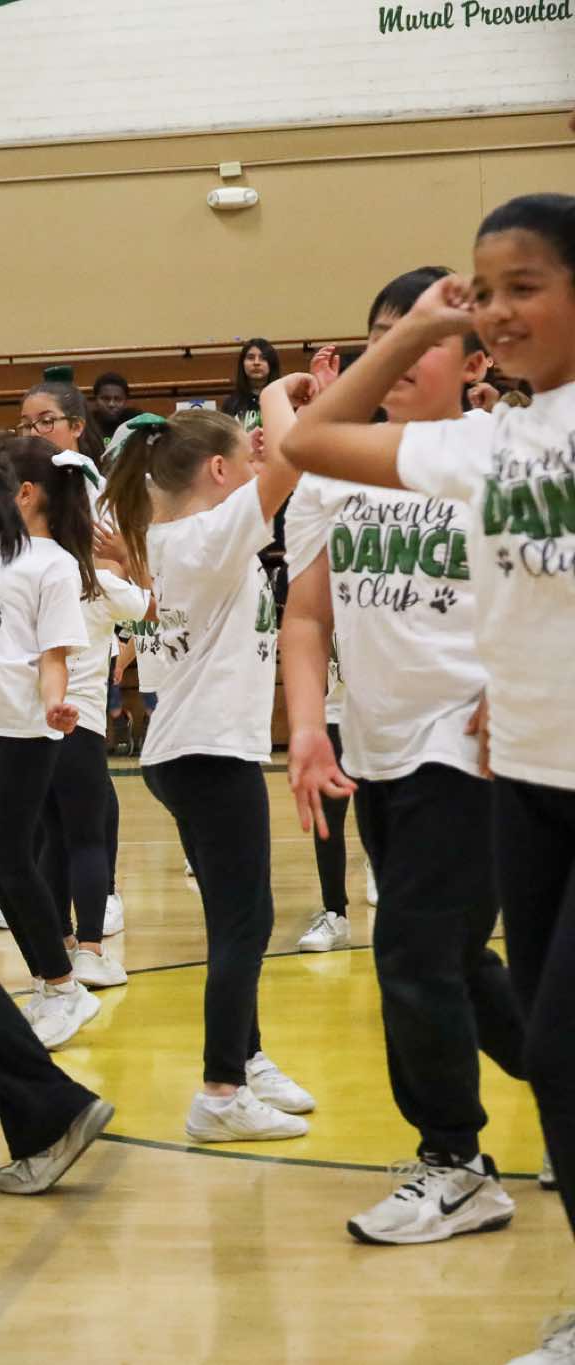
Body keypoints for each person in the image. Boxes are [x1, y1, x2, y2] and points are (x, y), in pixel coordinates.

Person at [279, 195, 575, 1362]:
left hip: (481, 751)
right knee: (513, 1013)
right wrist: (410, 330)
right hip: (507, 773)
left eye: (520, 287)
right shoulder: (488, 448)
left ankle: (454, 1160)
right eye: (480, 291)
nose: (494, 311)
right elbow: (308, 445)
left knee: (442, 971)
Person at [102, 405, 315, 1143]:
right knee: (246, 922)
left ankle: (246, 1058)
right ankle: (221, 1092)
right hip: (209, 750)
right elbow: (291, 457)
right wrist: (282, 395)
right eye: (243, 462)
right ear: (219, 471)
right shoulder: (206, 537)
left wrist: (251, 445)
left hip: (188, 749)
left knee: (234, 919)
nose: (257, 470)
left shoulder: (167, 539)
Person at [0, 434, 98, 1048]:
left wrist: (55, 703)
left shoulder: (54, 565)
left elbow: (53, 655)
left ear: (26, 494)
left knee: (10, 857)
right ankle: (49, 978)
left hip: (28, 726)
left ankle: (64, 985)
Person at [16, 383, 141, 974]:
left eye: (44, 422)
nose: (34, 432)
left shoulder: (20, 562)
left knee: (50, 835)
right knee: (82, 834)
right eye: (26, 424)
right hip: (77, 713)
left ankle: (64, 941)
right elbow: (147, 603)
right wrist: (130, 568)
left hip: (34, 716)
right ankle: (88, 945)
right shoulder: (84, 574)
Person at [222, 339, 283, 430]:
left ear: (272, 364)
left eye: (263, 358)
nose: (256, 363)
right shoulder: (231, 403)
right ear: (242, 364)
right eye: (250, 358)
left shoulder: (284, 400)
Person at [91, 371, 144, 442]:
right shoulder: (87, 424)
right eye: (105, 399)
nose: (111, 404)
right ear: (95, 400)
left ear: (126, 401)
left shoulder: (137, 422)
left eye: (117, 399)